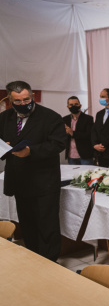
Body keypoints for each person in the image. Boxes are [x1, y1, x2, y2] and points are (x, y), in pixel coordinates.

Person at [0, 81, 65, 260]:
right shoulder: (5, 117)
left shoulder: (50, 117)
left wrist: (31, 151)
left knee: (47, 225)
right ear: (10, 99)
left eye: (26, 99)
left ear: (33, 96)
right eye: (18, 101)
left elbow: (58, 144)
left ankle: (50, 262)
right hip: (19, 181)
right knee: (27, 223)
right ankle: (34, 259)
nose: (23, 104)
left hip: (44, 182)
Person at [63, 96, 94, 165]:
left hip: (85, 155)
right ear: (68, 107)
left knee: (87, 172)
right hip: (71, 155)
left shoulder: (88, 119)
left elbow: (89, 135)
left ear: (80, 105)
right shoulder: (65, 119)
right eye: (71, 105)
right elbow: (63, 136)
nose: (73, 106)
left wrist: (72, 133)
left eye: (76, 104)